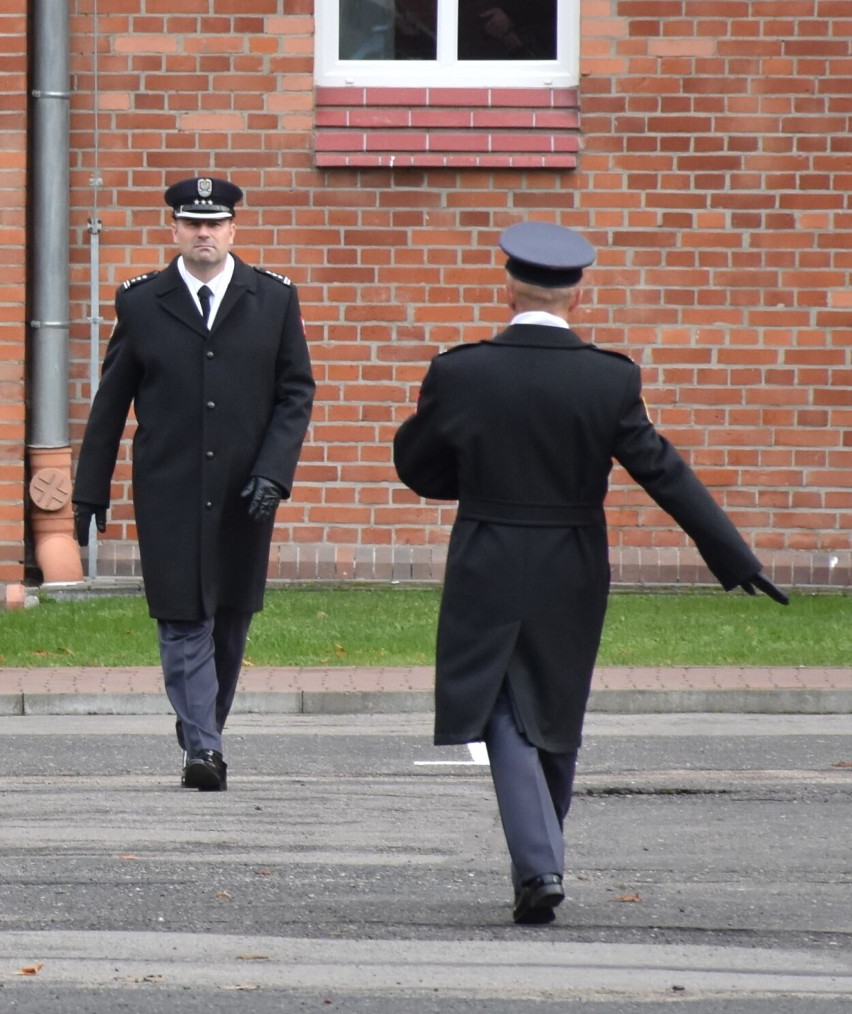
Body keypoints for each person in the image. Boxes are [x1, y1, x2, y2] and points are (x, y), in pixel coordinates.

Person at [393, 221, 788, 924]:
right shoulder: (608, 377)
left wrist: (475, 472)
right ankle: (540, 860)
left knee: (501, 710)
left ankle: (540, 865)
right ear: (578, 292)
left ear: (509, 284)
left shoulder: (461, 370)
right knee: (554, 710)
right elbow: (662, 470)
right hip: (572, 559)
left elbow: (419, 467)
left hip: (487, 550)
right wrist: (734, 556)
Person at [73, 176, 315, 792]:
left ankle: (201, 731)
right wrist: (89, 490)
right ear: (174, 229)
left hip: (245, 491)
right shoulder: (141, 302)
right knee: (183, 618)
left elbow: (296, 394)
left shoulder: (274, 299)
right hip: (169, 489)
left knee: (231, 618)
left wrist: (273, 472)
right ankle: (204, 749)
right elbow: (111, 403)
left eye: (214, 223)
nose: (203, 233)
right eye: (191, 223)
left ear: (233, 229)